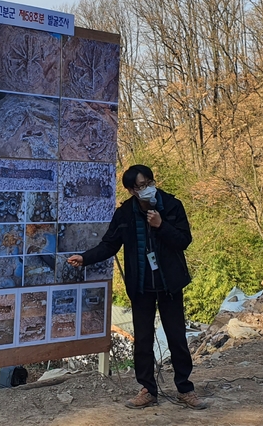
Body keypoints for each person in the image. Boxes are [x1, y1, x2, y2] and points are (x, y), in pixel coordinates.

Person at [67, 165, 206, 410]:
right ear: (131, 190)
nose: (147, 189)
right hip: (141, 286)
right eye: (140, 186)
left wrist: (161, 225)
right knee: (142, 339)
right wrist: (85, 258)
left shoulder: (172, 205)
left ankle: (185, 389)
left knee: (176, 337)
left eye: (148, 182)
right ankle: (147, 390)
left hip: (170, 284)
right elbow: (109, 245)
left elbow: (184, 241)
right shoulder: (125, 215)